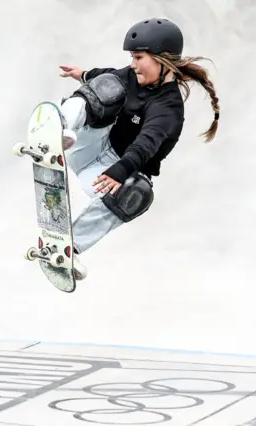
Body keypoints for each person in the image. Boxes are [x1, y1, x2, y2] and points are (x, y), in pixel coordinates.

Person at [56, 18, 220, 280]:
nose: (133, 64)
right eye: (132, 58)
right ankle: (57, 128)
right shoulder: (132, 75)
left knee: (136, 193)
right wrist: (83, 74)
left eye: (138, 57)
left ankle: (67, 248)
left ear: (161, 60)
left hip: (107, 174)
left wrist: (120, 171)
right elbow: (105, 77)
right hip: (89, 143)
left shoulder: (169, 108)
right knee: (108, 87)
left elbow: (147, 143)